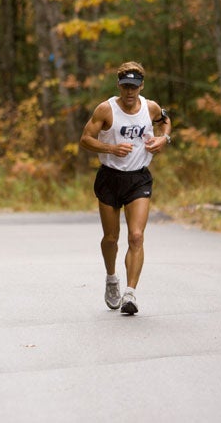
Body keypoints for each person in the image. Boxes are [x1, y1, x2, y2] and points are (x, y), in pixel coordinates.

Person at [79, 62, 171, 315]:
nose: (130, 92)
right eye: (125, 86)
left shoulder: (150, 107)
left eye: (134, 87)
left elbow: (165, 120)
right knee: (111, 238)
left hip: (139, 178)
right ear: (119, 86)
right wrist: (111, 148)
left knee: (137, 236)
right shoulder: (106, 109)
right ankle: (111, 279)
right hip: (110, 177)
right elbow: (85, 139)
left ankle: (130, 294)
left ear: (141, 86)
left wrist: (164, 138)